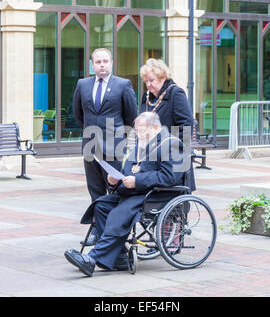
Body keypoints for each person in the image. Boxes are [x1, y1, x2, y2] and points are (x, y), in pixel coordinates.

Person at [64, 112, 185, 276]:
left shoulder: (171, 143)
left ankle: (92, 258)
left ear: (155, 128)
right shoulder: (140, 146)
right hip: (134, 193)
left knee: (119, 213)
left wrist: (137, 181)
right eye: (137, 131)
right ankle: (119, 257)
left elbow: (170, 177)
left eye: (142, 130)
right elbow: (127, 171)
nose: (139, 134)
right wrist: (115, 180)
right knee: (101, 205)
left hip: (157, 195)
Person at [73, 48, 138, 245]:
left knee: (115, 189)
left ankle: (113, 231)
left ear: (111, 62)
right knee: (95, 190)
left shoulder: (123, 85)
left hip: (115, 146)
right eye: (98, 61)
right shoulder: (83, 85)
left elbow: (131, 116)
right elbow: (78, 114)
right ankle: (96, 230)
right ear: (92, 64)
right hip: (90, 146)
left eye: (105, 61)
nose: (102, 65)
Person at [139, 58, 196, 191]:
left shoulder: (176, 93)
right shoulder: (147, 96)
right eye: (146, 81)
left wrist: (178, 152)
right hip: (150, 152)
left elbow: (186, 124)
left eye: (151, 80)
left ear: (162, 77)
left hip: (170, 153)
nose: (148, 84)